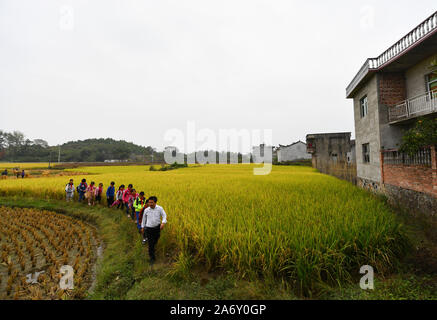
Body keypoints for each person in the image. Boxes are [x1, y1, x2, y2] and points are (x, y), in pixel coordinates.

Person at [141, 196, 167, 264]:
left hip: (157, 228)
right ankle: (152, 258)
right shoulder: (146, 210)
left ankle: (152, 249)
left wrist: (163, 223)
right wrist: (143, 227)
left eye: (151, 202)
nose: (150, 204)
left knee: (155, 240)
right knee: (150, 244)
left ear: (155, 202)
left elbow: (164, 215)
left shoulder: (160, 208)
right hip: (149, 228)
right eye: (149, 202)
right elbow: (144, 219)